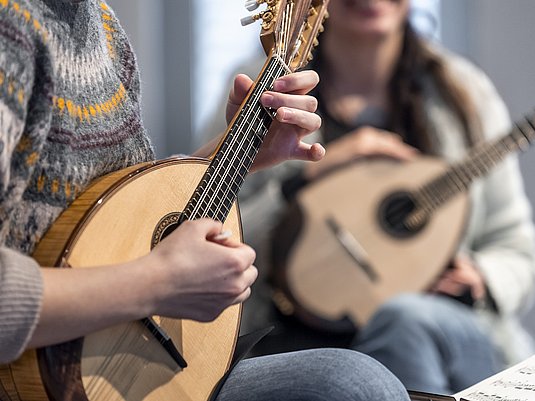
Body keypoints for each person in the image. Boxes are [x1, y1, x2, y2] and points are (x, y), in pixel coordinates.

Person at [0, 1, 412, 400]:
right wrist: (158, 282)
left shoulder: (101, 24)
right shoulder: (12, 27)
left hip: (122, 350)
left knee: (353, 381)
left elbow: (112, 214)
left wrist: (234, 153)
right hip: (35, 373)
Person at [225, 0, 535, 396]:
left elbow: (516, 250)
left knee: (404, 321)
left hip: (436, 331)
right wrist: (311, 175)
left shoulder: (464, 94)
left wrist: (483, 280)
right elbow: (214, 230)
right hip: (295, 330)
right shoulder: (270, 89)